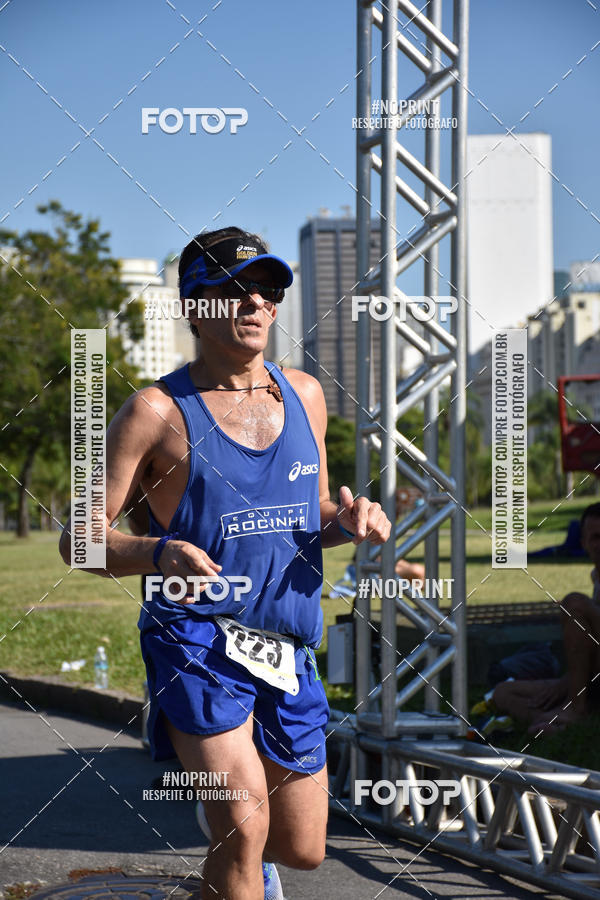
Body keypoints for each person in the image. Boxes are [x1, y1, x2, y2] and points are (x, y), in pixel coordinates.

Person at [59, 226, 391, 900]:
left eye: (266, 289)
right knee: (242, 831)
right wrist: (158, 551)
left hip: (286, 644)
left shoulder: (305, 395)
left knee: (300, 847)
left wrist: (347, 522)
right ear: (194, 306)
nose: (255, 302)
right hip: (197, 643)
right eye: (234, 289)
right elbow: (78, 539)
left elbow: (314, 514)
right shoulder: (154, 412)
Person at [493, 502, 600, 734]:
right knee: (503, 692)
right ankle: (552, 721)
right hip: (590, 680)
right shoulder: (596, 577)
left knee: (574, 602)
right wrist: (568, 681)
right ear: (583, 543)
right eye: (595, 537)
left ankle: (576, 710)